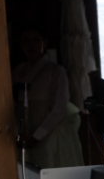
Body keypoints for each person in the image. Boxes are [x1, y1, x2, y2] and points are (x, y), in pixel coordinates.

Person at [12, 28, 84, 170]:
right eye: (26, 40)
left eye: (36, 40)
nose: (31, 45)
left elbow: (59, 108)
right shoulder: (18, 71)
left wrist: (37, 135)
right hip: (24, 130)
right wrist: (17, 133)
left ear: (44, 43)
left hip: (49, 131)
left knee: (49, 169)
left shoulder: (55, 71)